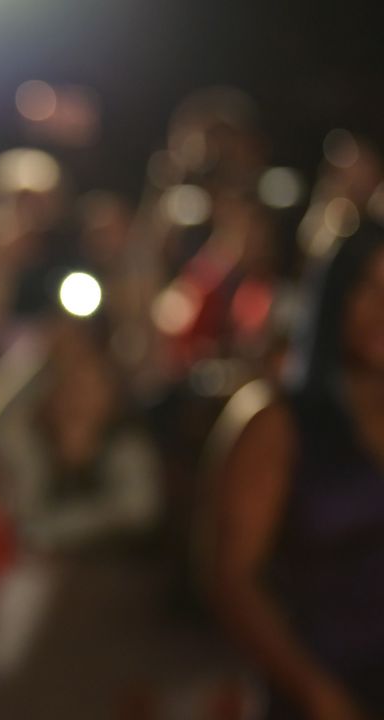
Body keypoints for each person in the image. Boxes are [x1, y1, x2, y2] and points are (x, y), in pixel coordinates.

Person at [207, 226, 384, 719]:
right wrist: (314, 691)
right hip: (321, 688)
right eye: (366, 289)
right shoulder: (278, 425)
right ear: (334, 300)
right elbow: (233, 578)